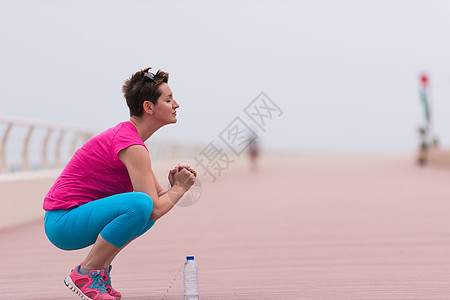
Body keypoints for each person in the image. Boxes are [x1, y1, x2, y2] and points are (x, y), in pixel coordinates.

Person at [43, 67, 197, 300]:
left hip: (74, 219)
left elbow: (157, 201)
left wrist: (173, 186)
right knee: (141, 206)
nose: (176, 104)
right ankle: (85, 273)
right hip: (62, 222)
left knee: (143, 212)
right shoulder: (131, 145)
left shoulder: (132, 140)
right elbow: (154, 207)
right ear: (149, 107)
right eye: (168, 99)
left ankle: (100, 272)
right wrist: (181, 188)